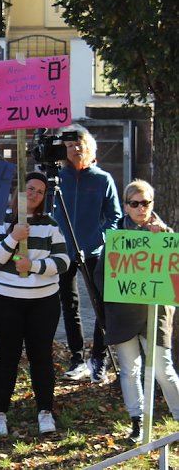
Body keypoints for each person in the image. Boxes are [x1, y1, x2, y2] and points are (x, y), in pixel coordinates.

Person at [94, 179, 179, 444]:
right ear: (126, 206)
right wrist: (112, 302)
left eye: (146, 203)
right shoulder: (116, 237)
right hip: (123, 314)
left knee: (162, 368)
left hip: (156, 312)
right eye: (135, 203)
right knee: (130, 369)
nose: (141, 208)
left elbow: (173, 273)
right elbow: (101, 275)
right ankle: (137, 421)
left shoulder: (164, 233)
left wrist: (162, 237)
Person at [0, 173, 70, 437]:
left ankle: (45, 411)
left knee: (41, 357)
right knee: (6, 357)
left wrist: (33, 266)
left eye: (40, 191)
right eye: (30, 188)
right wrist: (13, 237)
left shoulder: (50, 225)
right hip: (5, 301)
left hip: (42, 302)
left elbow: (64, 261)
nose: (33, 194)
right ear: (19, 192)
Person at [56, 125, 122, 383]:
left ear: (89, 147)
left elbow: (114, 216)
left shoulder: (102, 179)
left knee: (100, 304)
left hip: (93, 251)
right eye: (69, 145)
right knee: (69, 305)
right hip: (63, 251)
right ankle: (76, 357)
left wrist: (99, 238)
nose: (74, 149)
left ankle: (99, 357)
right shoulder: (58, 178)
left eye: (78, 144)